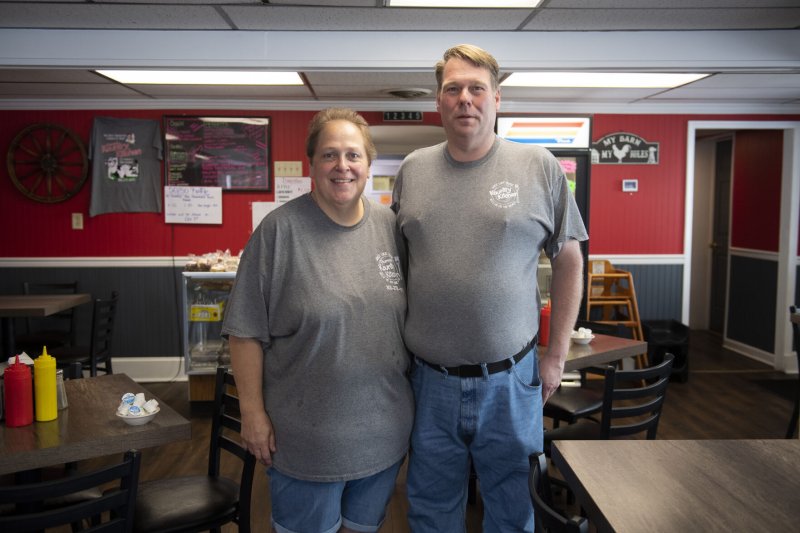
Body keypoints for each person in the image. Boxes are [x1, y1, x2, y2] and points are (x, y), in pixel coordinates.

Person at [392, 44, 588, 532]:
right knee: (431, 511)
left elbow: (569, 260)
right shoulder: (412, 170)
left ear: (497, 99)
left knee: (513, 511)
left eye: (476, 88)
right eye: (452, 89)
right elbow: (395, 267)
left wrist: (556, 358)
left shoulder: (539, 166)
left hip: (511, 381)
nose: (465, 99)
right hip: (427, 381)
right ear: (438, 102)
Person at [222, 108, 414, 533]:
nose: (342, 166)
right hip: (305, 442)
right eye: (329, 155)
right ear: (312, 164)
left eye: (353, 155)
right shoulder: (278, 232)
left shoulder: (390, 228)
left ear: (368, 164)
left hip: (383, 436)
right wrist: (252, 413)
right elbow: (245, 332)